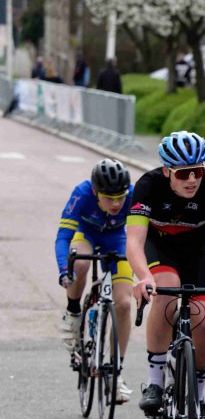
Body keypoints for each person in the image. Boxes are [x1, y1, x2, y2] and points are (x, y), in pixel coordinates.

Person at [126, 131, 205, 419]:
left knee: (203, 320)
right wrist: (143, 277)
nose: (192, 180)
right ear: (167, 171)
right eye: (183, 173)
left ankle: (199, 401)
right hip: (160, 249)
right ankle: (154, 380)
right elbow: (135, 241)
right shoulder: (148, 186)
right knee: (165, 291)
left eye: (198, 171)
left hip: (199, 253)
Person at [55, 159, 135, 403]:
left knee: (123, 304)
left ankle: (116, 373)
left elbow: (144, 235)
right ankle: (73, 313)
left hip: (116, 239)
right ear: (95, 192)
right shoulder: (81, 194)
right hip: (86, 234)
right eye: (109, 198)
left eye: (120, 197)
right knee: (79, 262)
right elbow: (63, 237)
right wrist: (63, 270)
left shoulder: (133, 196)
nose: (116, 203)